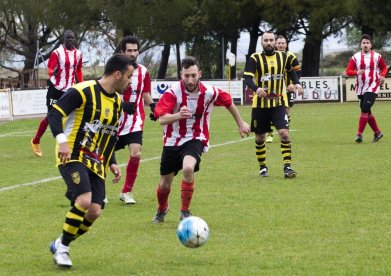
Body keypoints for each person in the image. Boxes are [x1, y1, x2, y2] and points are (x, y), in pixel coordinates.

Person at [47, 54, 136, 268]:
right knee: (84, 200)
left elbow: (108, 134)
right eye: (129, 76)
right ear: (117, 74)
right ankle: (63, 249)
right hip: (72, 155)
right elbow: (54, 114)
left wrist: (112, 161)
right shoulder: (82, 90)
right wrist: (61, 142)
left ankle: (61, 242)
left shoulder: (117, 102)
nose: (130, 82)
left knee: (94, 211)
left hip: (97, 160)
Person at [151, 56, 250, 223]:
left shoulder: (209, 92)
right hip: (172, 141)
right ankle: (162, 209)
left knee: (188, 169)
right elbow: (161, 119)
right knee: (164, 185)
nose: (190, 80)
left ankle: (184, 211)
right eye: (186, 75)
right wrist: (178, 115)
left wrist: (240, 123)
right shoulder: (172, 92)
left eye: (193, 75)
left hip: (196, 138)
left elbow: (228, 102)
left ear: (200, 74)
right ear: (181, 74)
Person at [243, 31, 303, 178]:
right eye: (266, 40)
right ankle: (263, 167)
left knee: (284, 133)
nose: (269, 43)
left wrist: (297, 84)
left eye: (271, 40)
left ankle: (287, 167)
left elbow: (291, 71)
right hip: (260, 105)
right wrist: (256, 89)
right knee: (260, 138)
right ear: (262, 42)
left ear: (275, 42)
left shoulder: (284, 57)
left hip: (278, 103)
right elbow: (248, 79)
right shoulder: (255, 58)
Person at [115, 36, 156, 205]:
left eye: (135, 50)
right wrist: (121, 104)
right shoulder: (115, 69)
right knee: (103, 155)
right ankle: (98, 191)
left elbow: (145, 93)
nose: (132, 53)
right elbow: (106, 90)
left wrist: (153, 106)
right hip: (114, 119)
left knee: (136, 152)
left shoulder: (144, 71)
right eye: (129, 50)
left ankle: (126, 191)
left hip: (135, 119)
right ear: (122, 51)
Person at [31, 30, 83, 157]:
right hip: (56, 89)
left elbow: (79, 70)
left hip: (70, 90)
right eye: (67, 38)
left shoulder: (78, 54)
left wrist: (81, 84)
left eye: (72, 38)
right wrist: (52, 73)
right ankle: (35, 141)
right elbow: (49, 69)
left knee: (75, 116)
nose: (70, 40)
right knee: (51, 117)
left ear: (74, 39)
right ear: (63, 39)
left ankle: (74, 145)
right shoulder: (57, 53)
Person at [346, 34, 387, 143]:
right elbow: (348, 71)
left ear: (371, 45)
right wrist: (356, 72)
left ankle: (359, 134)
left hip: (373, 85)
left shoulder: (377, 56)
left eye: (367, 43)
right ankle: (378, 133)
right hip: (360, 87)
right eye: (363, 43)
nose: (365, 45)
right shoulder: (356, 57)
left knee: (365, 108)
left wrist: (382, 75)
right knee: (366, 111)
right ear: (360, 45)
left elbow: (384, 67)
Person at [266, 35, 302, 143]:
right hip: (274, 89)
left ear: (286, 44)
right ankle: (270, 134)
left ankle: (285, 131)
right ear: (275, 44)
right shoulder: (271, 56)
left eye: (283, 43)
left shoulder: (291, 56)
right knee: (270, 111)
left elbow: (297, 72)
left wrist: (293, 84)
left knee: (286, 111)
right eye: (279, 43)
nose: (281, 45)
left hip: (288, 89)